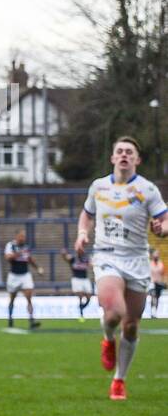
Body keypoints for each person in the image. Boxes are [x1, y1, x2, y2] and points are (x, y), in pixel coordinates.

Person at [75, 135, 167, 400]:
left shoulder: (148, 190)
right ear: (113, 158)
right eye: (120, 151)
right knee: (114, 313)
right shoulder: (98, 187)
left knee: (131, 326)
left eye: (129, 152)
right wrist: (82, 233)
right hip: (107, 256)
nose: (124, 155)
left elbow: (164, 220)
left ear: (137, 159)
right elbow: (87, 214)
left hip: (137, 260)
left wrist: (161, 229)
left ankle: (119, 379)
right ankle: (107, 337)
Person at [3, 229, 43, 329]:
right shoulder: (10, 245)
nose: (23, 238)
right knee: (12, 299)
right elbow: (8, 258)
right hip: (14, 275)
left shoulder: (26, 247)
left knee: (29, 298)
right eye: (21, 236)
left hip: (25, 275)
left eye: (24, 237)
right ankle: (10, 319)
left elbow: (30, 259)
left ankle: (31, 320)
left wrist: (38, 268)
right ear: (17, 237)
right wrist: (18, 253)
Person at [61, 247, 93, 321]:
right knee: (80, 295)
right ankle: (81, 313)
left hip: (85, 279)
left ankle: (82, 307)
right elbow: (66, 258)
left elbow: (91, 264)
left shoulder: (85, 259)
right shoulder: (73, 259)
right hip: (76, 279)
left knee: (89, 297)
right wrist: (63, 254)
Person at [150, 249, 165, 318]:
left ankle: (155, 311)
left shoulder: (160, 264)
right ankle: (153, 312)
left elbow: (162, 274)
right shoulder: (150, 264)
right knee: (154, 296)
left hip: (159, 283)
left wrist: (162, 282)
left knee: (157, 298)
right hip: (152, 283)